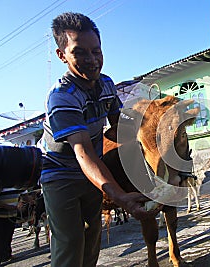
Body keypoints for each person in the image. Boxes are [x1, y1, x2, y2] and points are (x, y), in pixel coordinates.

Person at [38, 12, 158, 267]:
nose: (92, 60)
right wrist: (121, 196)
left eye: (97, 51)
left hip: (92, 174)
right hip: (60, 174)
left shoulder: (106, 84)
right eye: (80, 52)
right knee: (71, 245)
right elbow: (83, 152)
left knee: (93, 243)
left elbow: (119, 130)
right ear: (62, 56)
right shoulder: (62, 97)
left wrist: (152, 141)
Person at [0, 187, 22, 266]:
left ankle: (7, 255)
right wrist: (8, 207)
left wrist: (22, 202)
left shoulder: (17, 182)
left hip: (11, 215)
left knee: (8, 236)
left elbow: (23, 194)